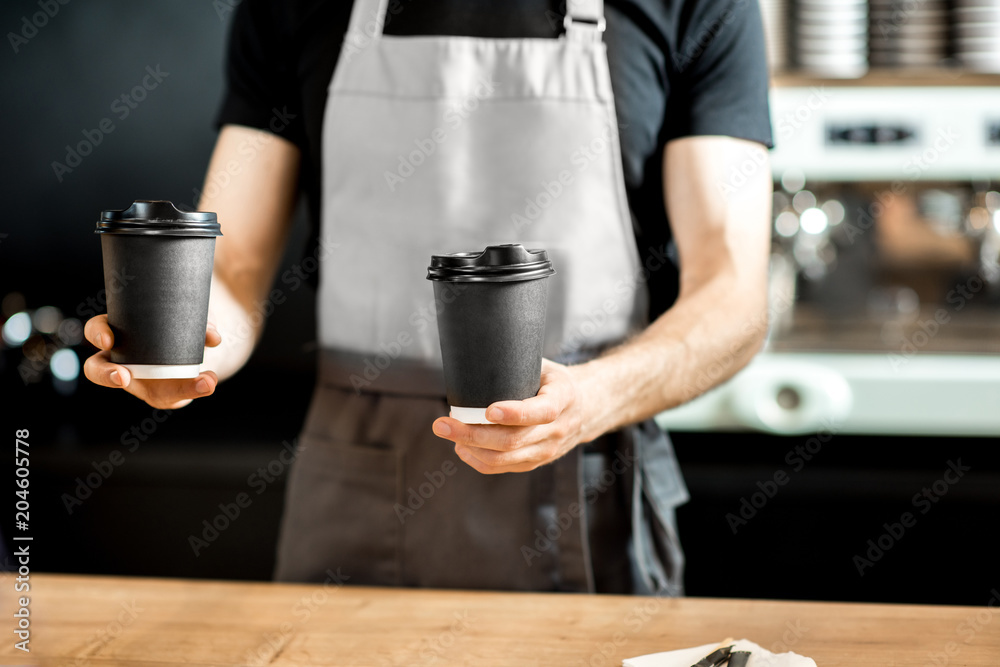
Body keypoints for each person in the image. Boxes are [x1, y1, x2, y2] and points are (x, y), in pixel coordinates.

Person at [84, 0, 773, 595]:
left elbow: (732, 293)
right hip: (351, 485)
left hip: (581, 484)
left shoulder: (695, 5)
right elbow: (234, 267)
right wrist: (185, 350)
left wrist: (589, 400)